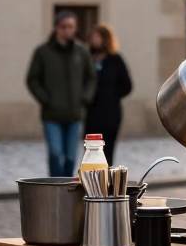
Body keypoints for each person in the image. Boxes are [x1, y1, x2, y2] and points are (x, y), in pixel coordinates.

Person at [26, 11, 97, 177]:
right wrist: (46, 99)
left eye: (71, 27)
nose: (67, 30)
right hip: (52, 114)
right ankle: (55, 185)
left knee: (71, 156)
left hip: (74, 114)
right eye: (64, 27)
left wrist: (85, 98)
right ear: (57, 28)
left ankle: (66, 186)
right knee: (55, 153)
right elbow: (32, 79)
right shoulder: (43, 52)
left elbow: (91, 77)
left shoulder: (81, 52)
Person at [84, 24, 133, 168]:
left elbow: (127, 86)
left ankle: (106, 178)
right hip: (91, 113)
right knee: (91, 152)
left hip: (111, 114)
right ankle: (91, 178)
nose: (94, 40)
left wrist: (111, 95)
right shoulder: (87, 58)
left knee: (107, 152)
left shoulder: (115, 60)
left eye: (97, 37)